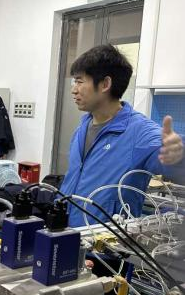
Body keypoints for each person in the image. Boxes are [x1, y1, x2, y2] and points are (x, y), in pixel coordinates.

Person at [60, 44, 184, 227]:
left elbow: (170, 155)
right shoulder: (82, 127)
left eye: (79, 81)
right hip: (65, 233)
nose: (74, 89)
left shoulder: (139, 132)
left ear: (105, 84)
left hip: (105, 242)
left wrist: (178, 155)